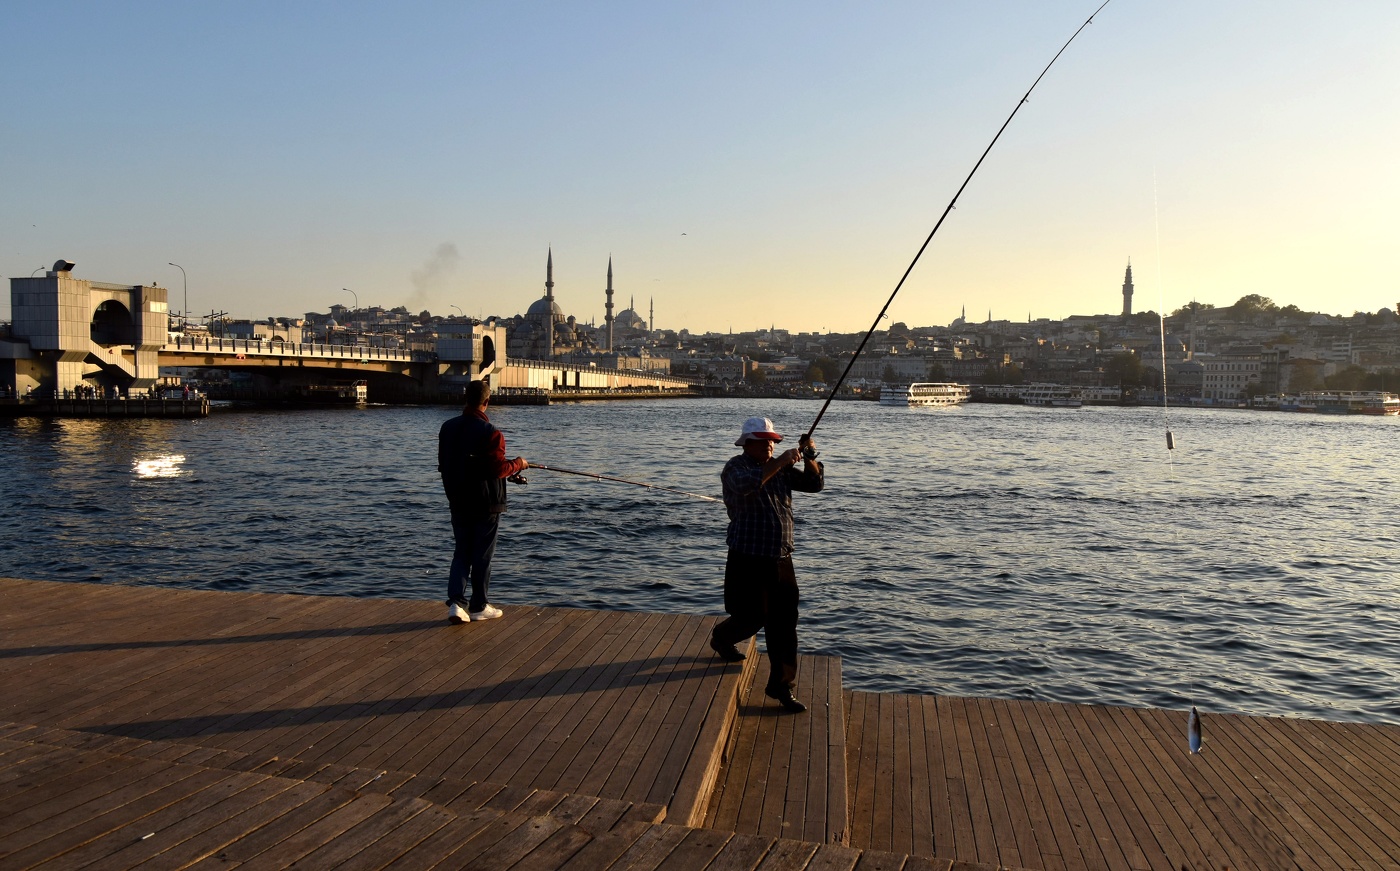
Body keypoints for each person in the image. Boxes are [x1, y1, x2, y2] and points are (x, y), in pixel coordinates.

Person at [710, 416, 824, 713]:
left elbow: (815, 484)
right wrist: (783, 460)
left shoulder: (782, 469)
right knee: (750, 616)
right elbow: (749, 484)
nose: (769, 447)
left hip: (781, 559)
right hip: (747, 558)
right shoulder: (735, 467)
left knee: (784, 625)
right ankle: (723, 637)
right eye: (763, 442)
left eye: (773, 442)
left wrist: (808, 455)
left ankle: (782, 686)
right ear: (747, 443)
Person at [437, 380, 528, 624]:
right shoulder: (492, 433)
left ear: (465, 399)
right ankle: (479, 605)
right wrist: (518, 464)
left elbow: (447, 465)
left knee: (461, 552)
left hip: (457, 499)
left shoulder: (447, 428)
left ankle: (456, 603)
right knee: (482, 555)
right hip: (486, 504)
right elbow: (498, 469)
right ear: (486, 402)